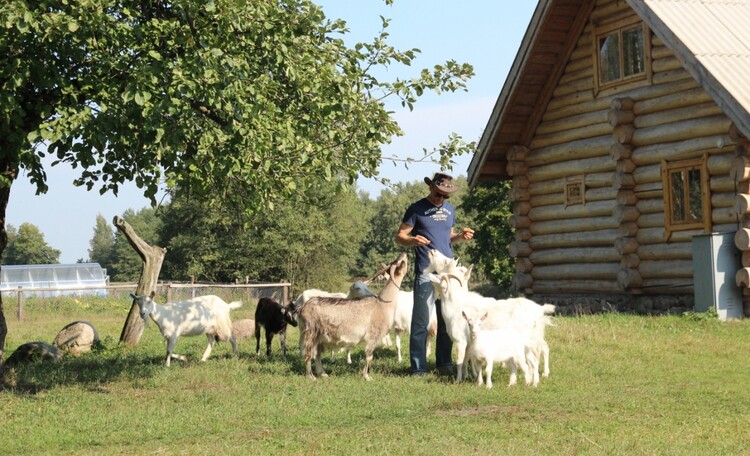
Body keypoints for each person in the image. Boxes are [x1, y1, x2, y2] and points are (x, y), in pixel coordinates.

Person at [394, 172, 474, 376]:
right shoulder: (416, 209)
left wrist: (460, 237)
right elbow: (400, 236)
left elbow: (448, 238)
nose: (441, 199)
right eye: (439, 194)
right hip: (426, 272)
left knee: (448, 318)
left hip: (448, 274)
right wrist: (412, 240)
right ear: (431, 188)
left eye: (446, 196)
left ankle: (444, 364)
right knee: (421, 320)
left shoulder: (449, 210)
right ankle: (418, 367)